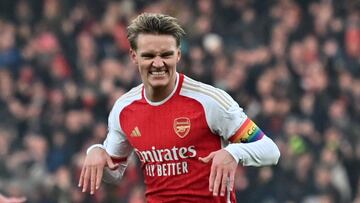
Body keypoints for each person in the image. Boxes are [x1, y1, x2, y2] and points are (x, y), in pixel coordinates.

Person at [78, 13, 280, 203]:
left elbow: (270, 151)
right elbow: (113, 172)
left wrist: (234, 153)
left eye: (166, 54)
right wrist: (96, 151)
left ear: (178, 55)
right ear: (134, 56)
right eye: (148, 56)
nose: (158, 64)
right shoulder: (124, 109)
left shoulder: (208, 101)